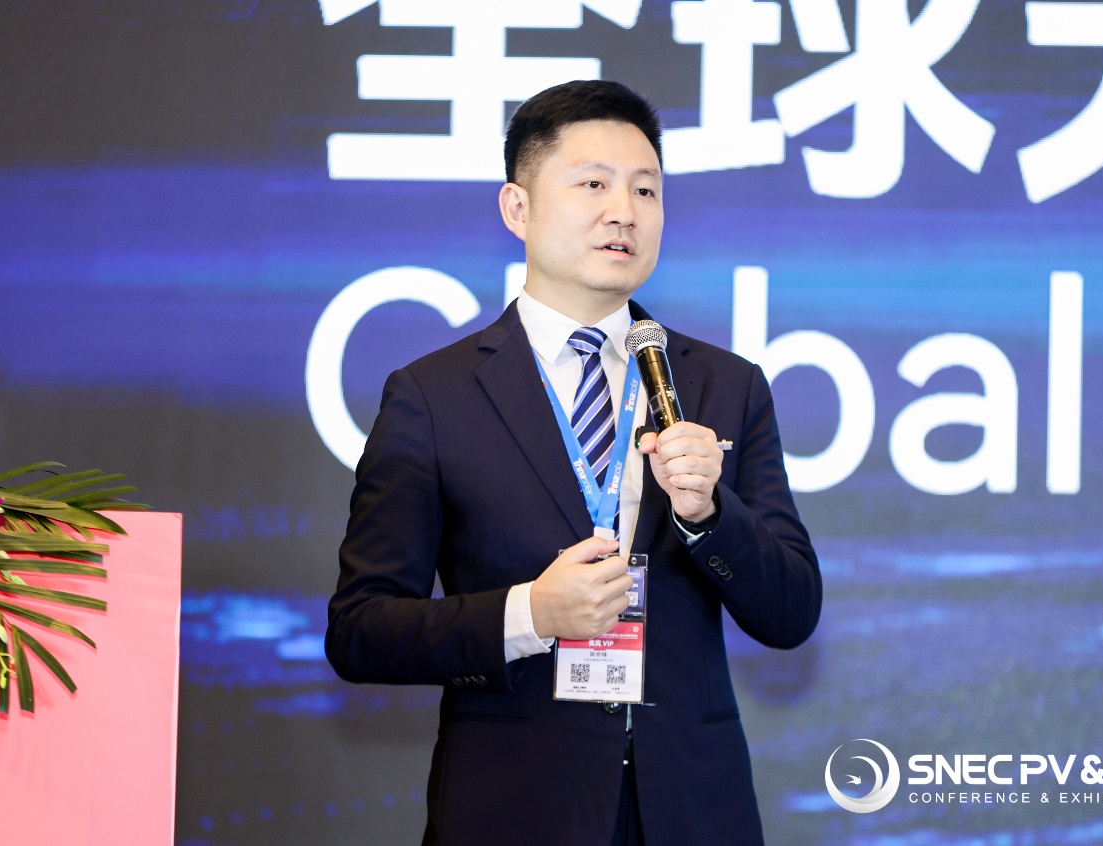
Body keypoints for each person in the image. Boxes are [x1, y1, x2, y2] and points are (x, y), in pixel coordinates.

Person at [326, 80, 821, 846]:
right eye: (593, 184)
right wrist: (530, 615)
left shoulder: (723, 386)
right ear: (517, 208)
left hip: (691, 809)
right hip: (513, 807)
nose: (623, 211)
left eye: (645, 190)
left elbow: (790, 613)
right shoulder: (432, 396)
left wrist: (708, 516)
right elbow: (362, 630)